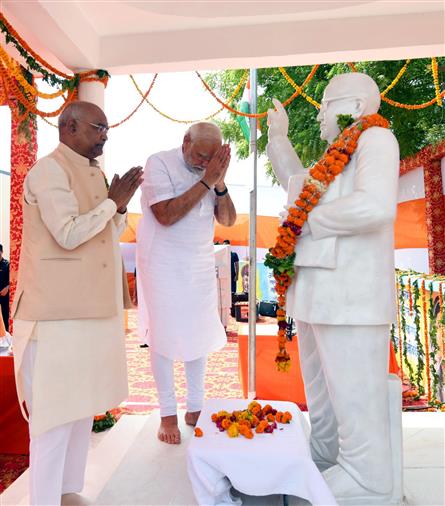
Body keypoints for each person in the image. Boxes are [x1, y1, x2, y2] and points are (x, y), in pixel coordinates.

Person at [267, 73, 400, 504]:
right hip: (315, 292)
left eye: (328, 104)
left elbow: (375, 206)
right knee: (322, 403)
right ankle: (323, 459)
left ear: (358, 108)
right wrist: (278, 141)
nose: (320, 114)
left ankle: (367, 478)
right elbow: (300, 186)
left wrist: (308, 224)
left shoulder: (375, 141)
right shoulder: (333, 158)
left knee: (355, 401)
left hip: (351, 298)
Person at [11, 100, 143, 506]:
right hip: (55, 314)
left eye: (106, 129)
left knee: (82, 407)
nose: (104, 135)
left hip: (89, 311)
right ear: (68, 127)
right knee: (54, 416)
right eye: (98, 127)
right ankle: (45, 500)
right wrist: (111, 203)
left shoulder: (93, 171)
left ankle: (68, 491)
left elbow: (104, 232)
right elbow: (67, 233)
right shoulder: (49, 170)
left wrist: (116, 207)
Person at [136, 122, 236, 444]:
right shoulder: (159, 163)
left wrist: (218, 185)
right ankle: (167, 413)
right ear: (185, 142)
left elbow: (229, 220)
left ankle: (195, 407)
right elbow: (165, 215)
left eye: (212, 159)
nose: (205, 164)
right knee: (163, 335)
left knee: (198, 333)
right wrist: (208, 181)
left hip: (198, 265)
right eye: (201, 156)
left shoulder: (211, 173)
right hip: (162, 264)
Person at [0, 244, 10, 332]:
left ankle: (6, 337)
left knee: (4, 317)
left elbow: (13, 280)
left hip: (4, 297)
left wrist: (7, 287)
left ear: (2, 252)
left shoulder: (7, 265)